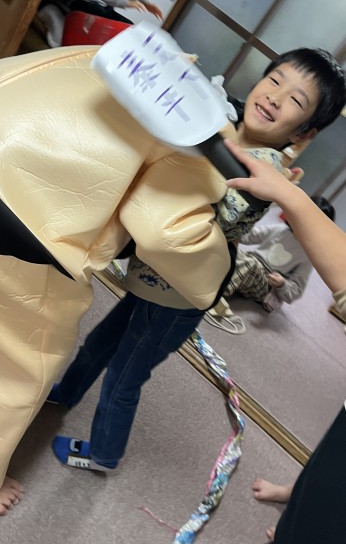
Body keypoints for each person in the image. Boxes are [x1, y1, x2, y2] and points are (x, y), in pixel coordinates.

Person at [0, 41, 238, 515]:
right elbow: (169, 234)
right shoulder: (200, 135)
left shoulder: (150, 55)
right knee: (17, 354)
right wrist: (215, 275)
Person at [49, 48, 346, 472]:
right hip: (155, 274)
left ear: (305, 132)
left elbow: (199, 213)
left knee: (125, 374)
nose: (275, 97)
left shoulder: (262, 171)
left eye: (296, 100)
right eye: (275, 80)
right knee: (101, 341)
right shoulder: (227, 123)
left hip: (179, 295)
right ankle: (66, 392)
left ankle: (104, 454)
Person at [225, 138, 346, 544]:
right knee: (329, 457)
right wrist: (280, 197)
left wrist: (279, 282)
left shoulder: (306, 256)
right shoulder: (281, 227)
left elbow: (296, 292)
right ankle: (297, 496)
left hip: (269, 290)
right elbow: (255, 235)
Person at [224, 196, 335, 312]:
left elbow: (297, 289)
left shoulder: (308, 255)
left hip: (267, 284)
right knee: (232, 252)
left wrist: (282, 284)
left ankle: (218, 290)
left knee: (250, 264)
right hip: (251, 260)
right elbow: (250, 235)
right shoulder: (281, 229)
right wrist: (231, 232)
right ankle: (218, 276)